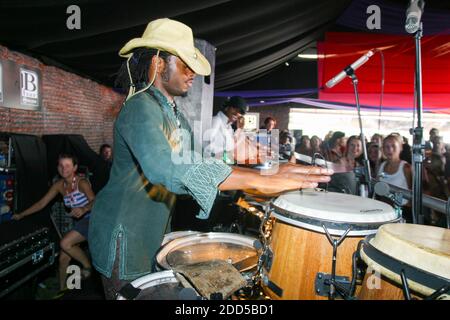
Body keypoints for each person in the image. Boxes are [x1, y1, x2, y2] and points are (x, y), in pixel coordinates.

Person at [88, 18, 333, 300]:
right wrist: (259, 179)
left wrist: (270, 170)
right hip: (125, 235)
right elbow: (163, 166)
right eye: (185, 64)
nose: (192, 73)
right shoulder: (140, 107)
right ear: (158, 64)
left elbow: (198, 159)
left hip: (151, 229)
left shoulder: (173, 114)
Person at [12, 154, 95, 291]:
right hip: (79, 223)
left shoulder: (82, 182)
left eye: (68, 165)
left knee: (65, 243)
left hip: (92, 219)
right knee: (63, 259)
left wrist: (84, 208)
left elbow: (95, 200)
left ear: (74, 167)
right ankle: (63, 290)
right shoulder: (59, 185)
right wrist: (21, 215)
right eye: (61, 165)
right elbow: (41, 203)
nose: (64, 169)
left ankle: (87, 266)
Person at [377, 134, 413, 221]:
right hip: (384, 210)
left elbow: (412, 192)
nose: (390, 149)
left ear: (400, 147)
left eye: (393, 146)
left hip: (402, 211)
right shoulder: (382, 166)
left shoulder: (406, 167)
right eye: (386, 146)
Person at [204, 96, 248, 164]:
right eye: (234, 108)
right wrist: (226, 155)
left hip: (224, 165)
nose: (237, 113)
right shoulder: (216, 121)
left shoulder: (229, 127)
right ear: (227, 107)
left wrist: (240, 129)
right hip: (212, 166)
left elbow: (232, 146)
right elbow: (206, 147)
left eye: (240, 112)